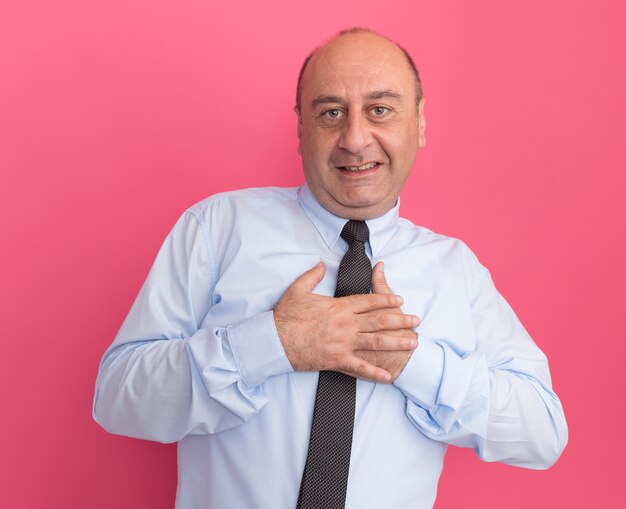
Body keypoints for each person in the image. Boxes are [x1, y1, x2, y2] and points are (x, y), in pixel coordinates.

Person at [93, 28, 568, 509]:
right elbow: (117, 400)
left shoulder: (455, 268)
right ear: (301, 127)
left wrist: (409, 360)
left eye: (380, 109)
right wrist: (274, 343)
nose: (355, 138)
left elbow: (542, 432)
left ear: (419, 124)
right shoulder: (217, 228)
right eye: (331, 113)